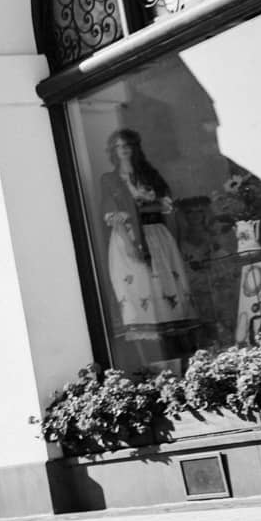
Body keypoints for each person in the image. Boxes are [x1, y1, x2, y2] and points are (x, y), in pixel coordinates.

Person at [98, 128, 197, 359]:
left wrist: (140, 208)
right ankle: (152, 361)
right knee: (140, 294)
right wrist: (130, 242)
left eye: (127, 146)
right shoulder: (110, 179)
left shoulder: (150, 175)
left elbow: (166, 206)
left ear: (135, 148)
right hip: (129, 238)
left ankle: (181, 355)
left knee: (168, 291)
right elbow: (114, 215)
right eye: (119, 147)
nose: (123, 150)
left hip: (157, 235)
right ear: (113, 151)